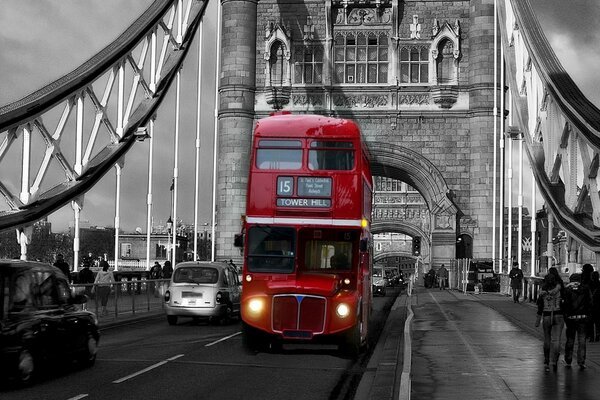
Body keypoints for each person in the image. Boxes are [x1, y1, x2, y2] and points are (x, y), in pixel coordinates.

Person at [563, 265, 593, 370]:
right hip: (583, 318)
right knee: (582, 340)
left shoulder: (566, 290)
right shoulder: (585, 289)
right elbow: (590, 303)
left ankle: (568, 359)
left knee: (570, 339)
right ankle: (581, 361)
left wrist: (565, 316)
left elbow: (564, 305)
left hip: (571, 318)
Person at [535, 272, 564, 372]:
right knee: (557, 339)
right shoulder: (559, 290)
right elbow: (564, 303)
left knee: (547, 338)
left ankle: (547, 360)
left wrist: (538, 320)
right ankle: (554, 361)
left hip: (547, 315)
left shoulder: (542, 291)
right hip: (558, 314)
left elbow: (539, 306)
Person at [590, 270, 600, 342]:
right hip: (598, 305)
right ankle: (598, 335)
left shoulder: (589, 285)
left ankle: (591, 337)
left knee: (591, 322)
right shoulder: (599, 284)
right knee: (598, 322)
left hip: (591, 305)